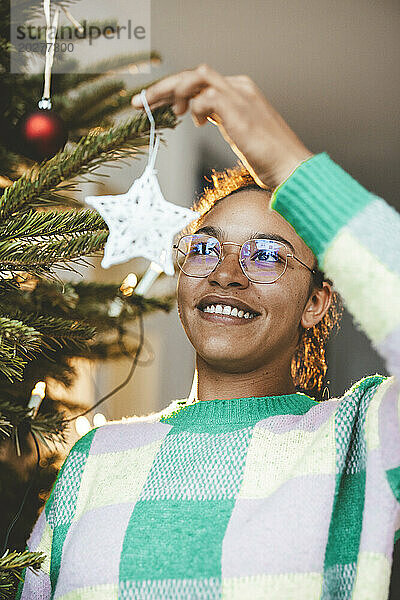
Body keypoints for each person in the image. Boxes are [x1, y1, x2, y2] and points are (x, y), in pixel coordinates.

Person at [18, 64, 400, 600]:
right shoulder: (95, 457)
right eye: (205, 247)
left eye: (266, 255)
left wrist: (292, 166)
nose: (225, 273)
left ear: (316, 302)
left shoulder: (363, 439)